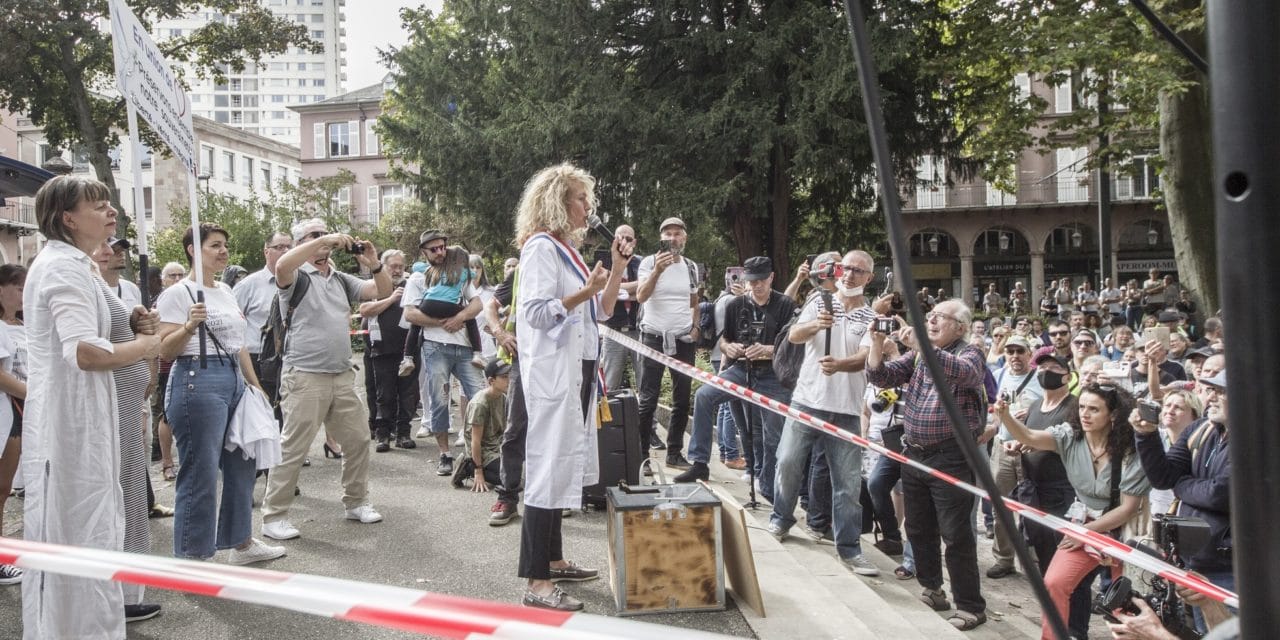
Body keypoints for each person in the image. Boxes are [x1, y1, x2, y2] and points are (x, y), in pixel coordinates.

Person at [23, 175, 163, 636]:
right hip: (72, 429)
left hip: (87, 425)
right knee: (80, 534)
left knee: (92, 532)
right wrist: (146, 344)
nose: (111, 211)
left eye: (109, 202)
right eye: (97, 204)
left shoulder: (78, 265)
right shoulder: (63, 268)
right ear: (67, 218)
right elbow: (87, 353)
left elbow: (116, 316)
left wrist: (136, 317)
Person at [511, 163, 625, 611]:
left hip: (576, 373)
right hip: (553, 378)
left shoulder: (567, 252)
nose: (588, 207)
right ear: (558, 201)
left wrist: (615, 269)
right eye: (581, 198)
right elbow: (537, 313)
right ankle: (537, 582)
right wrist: (583, 292)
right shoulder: (540, 248)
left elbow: (606, 310)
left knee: (560, 468)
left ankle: (554, 560)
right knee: (546, 469)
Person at [155, 223, 286, 567]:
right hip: (196, 379)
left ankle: (240, 542)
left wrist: (254, 385)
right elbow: (165, 350)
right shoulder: (178, 293)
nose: (223, 251)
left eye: (224, 245)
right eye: (215, 245)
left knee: (243, 462)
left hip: (233, 380)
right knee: (201, 471)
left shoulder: (226, 291)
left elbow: (238, 343)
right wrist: (188, 326)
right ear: (192, 250)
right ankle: (193, 555)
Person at [259, 218, 391, 541]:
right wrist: (327, 239)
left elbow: (382, 291)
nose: (324, 244)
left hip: (341, 374)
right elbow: (283, 265)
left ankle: (356, 501)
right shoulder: (294, 275)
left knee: (359, 438)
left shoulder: (340, 278)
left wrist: (374, 264)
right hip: (304, 375)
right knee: (293, 447)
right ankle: (273, 517)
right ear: (301, 243)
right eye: (314, 237)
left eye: (324, 236)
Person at [866, 299, 989, 631]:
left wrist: (922, 344)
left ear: (960, 327)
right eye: (930, 316)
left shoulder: (969, 351)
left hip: (951, 456)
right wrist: (877, 345)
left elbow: (968, 374)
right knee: (918, 527)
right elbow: (882, 375)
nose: (931, 321)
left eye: (940, 318)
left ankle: (970, 606)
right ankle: (933, 589)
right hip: (915, 453)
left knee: (957, 533)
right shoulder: (921, 353)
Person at [995, 383, 1151, 640]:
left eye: (1094, 409)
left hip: (1124, 531)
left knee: (1126, 602)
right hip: (1085, 524)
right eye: (1081, 407)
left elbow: (1128, 509)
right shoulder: (1070, 436)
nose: (1085, 414)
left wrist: (1083, 532)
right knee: (1054, 583)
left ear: (1112, 415)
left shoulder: (1129, 449)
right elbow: (1029, 437)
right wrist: (1005, 416)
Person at [765, 251, 880, 576]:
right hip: (806, 400)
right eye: (846, 268)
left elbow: (865, 358)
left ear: (868, 278)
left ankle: (850, 549)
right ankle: (781, 519)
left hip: (845, 410)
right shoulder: (820, 300)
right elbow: (794, 335)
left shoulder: (869, 316)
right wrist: (817, 324)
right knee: (787, 462)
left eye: (858, 271)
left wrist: (840, 365)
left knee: (846, 484)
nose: (849, 275)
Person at [676, 256, 795, 501]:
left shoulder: (785, 304)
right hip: (741, 368)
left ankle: (769, 487)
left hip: (773, 373)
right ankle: (699, 461)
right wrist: (728, 348)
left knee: (772, 433)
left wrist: (766, 349)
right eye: (752, 281)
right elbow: (725, 339)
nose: (756, 286)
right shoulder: (735, 304)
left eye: (761, 280)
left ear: (771, 277)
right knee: (704, 395)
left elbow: (792, 345)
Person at [90, 240, 161, 617]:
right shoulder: (77, 280)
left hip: (130, 401)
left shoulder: (126, 290)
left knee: (130, 492)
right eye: (103, 245)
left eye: (116, 246)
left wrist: (142, 337)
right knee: (112, 495)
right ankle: (109, 594)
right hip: (103, 408)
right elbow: (89, 352)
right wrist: (147, 341)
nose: (112, 251)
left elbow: (136, 341)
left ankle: (127, 591)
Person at [1132, 370, 1232, 631]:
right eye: (1211, 390)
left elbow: (1220, 494)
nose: (1211, 397)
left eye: (1221, 391)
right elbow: (1164, 477)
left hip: (1232, 570)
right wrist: (1146, 435)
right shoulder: (1200, 428)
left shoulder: (1259, 439)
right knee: (1204, 633)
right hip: (1195, 561)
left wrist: (1182, 484)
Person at [402, 230, 486, 477]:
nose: (440, 252)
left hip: (465, 347)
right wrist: (444, 322)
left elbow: (477, 304)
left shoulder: (458, 272)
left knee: (479, 398)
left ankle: (479, 452)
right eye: (434, 249)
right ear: (424, 252)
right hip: (435, 347)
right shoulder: (417, 278)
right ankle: (444, 454)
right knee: (439, 401)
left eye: (442, 247)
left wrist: (459, 317)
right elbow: (410, 314)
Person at [635, 216, 701, 463]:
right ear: (661, 238)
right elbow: (641, 296)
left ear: (684, 238)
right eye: (668, 234)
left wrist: (695, 327)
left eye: (677, 234)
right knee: (648, 400)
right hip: (653, 337)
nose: (673, 238)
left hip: (683, 339)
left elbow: (694, 301)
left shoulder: (691, 266)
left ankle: (674, 452)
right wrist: (657, 271)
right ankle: (642, 455)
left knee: (682, 399)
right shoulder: (649, 263)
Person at [984, 334, 1043, 579]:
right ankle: (1003, 558)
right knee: (1000, 505)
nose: (1015, 356)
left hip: (1031, 449)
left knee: (1033, 506)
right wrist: (993, 428)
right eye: (1010, 351)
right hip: (1003, 446)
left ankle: (1035, 560)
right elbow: (992, 409)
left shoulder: (1040, 379)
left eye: (1020, 351)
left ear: (1030, 354)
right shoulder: (998, 376)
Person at [358, 250, 418, 452]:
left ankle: (403, 434)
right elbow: (365, 310)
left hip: (408, 350)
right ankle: (383, 435)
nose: (397, 270)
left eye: (401, 266)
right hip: (381, 350)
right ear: (383, 266)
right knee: (384, 394)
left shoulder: (411, 286)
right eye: (393, 266)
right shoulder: (375, 286)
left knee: (408, 395)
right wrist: (391, 299)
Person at [0, 265, 26, 585]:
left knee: (3, 490)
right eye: (18, 287)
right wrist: (35, 395)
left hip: (18, 415)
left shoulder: (25, 325)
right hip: (11, 409)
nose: (24, 293)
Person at [598, 224, 643, 391]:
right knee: (610, 384)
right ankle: (609, 417)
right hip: (613, 331)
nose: (624, 242)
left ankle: (648, 418)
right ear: (613, 240)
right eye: (620, 238)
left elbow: (646, 288)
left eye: (628, 239)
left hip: (638, 331)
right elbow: (602, 291)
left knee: (644, 383)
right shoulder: (604, 262)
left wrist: (615, 289)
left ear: (635, 242)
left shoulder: (641, 263)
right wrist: (633, 290)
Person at [454, 358, 510, 492]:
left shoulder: (503, 398)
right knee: (507, 478)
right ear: (491, 381)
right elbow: (475, 441)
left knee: (515, 470)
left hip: (497, 446)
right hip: (483, 451)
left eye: (510, 376)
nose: (509, 380)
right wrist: (478, 472)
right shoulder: (480, 404)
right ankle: (468, 467)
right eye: (504, 377)